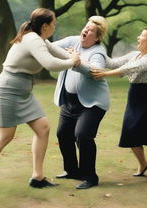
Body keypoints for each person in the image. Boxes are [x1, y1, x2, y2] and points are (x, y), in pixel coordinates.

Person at [0, 8, 81, 191]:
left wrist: (74, 57)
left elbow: (58, 52)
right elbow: (50, 64)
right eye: (53, 24)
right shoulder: (33, 39)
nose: (54, 26)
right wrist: (72, 62)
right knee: (4, 136)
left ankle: (37, 177)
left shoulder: (39, 38)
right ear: (45, 26)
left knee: (42, 127)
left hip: (22, 89)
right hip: (8, 89)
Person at [91, 27, 147, 183]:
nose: (138, 37)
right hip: (134, 97)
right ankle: (143, 164)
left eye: (141, 35)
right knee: (130, 133)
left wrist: (105, 74)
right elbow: (112, 63)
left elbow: (130, 68)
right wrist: (97, 48)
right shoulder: (134, 54)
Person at [46, 16, 110, 189]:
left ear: (97, 37)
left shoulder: (98, 52)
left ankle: (90, 177)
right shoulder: (73, 41)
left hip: (92, 104)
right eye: (85, 27)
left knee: (82, 135)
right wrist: (36, 38)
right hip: (70, 101)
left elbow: (94, 71)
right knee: (63, 134)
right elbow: (51, 47)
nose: (85, 31)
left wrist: (75, 61)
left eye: (90, 31)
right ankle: (72, 170)